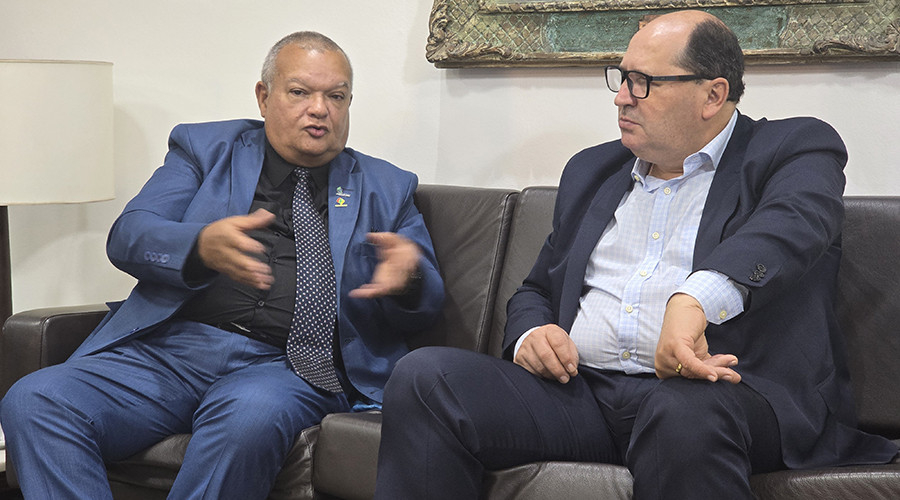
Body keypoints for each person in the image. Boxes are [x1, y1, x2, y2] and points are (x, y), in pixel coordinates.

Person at [373, 10, 898, 500]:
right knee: (426, 378)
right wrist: (533, 334)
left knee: (682, 412)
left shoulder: (793, 149)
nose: (622, 98)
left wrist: (694, 300)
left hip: (724, 393)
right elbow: (537, 288)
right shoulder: (592, 170)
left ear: (712, 94)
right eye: (622, 78)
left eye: (643, 82)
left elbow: (789, 229)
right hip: (582, 394)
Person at [0, 31, 444, 499]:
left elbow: (429, 300)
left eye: (336, 96)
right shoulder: (205, 149)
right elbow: (129, 236)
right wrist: (198, 246)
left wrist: (409, 279)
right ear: (264, 97)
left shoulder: (386, 187)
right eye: (299, 92)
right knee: (36, 400)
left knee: (247, 416)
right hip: (171, 352)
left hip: (288, 366)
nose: (319, 109)